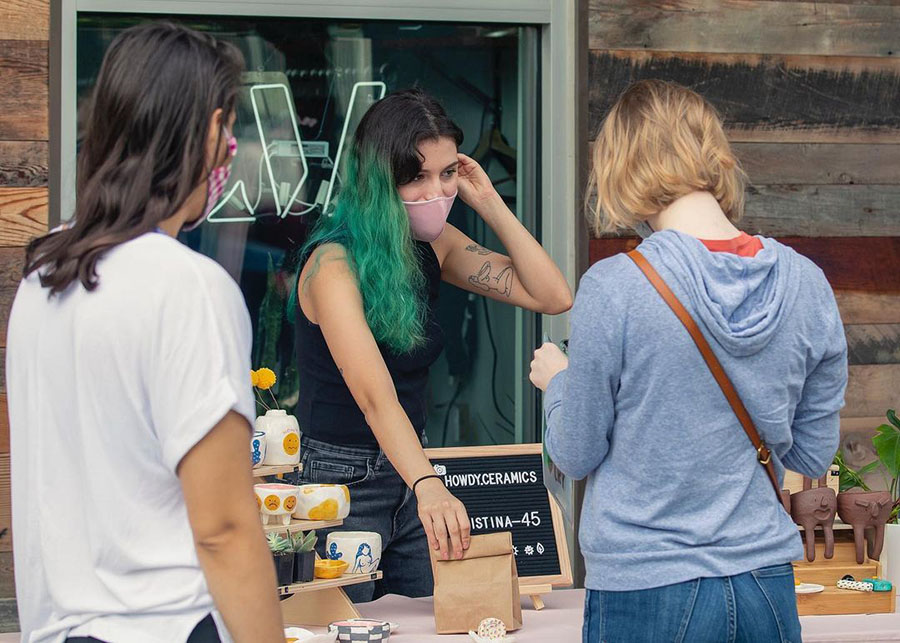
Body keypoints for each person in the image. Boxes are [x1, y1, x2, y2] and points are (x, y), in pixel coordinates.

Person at [529, 80, 847, 643]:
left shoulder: (615, 286)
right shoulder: (808, 283)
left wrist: (559, 383)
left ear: (621, 167)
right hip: (765, 584)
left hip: (646, 587)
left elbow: (575, 455)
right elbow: (810, 452)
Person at [7, 22, 284, 643]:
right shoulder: (187, 286)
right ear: (207, 130)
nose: (232, 146)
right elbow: (224, 529)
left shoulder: (44, 276)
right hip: (169, 624)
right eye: (228, 125)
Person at [291, 88, 572, 601]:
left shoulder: (435, 245)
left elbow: (551, 294)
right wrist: (428, 486)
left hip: (414, 471)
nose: (435, 190)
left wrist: (487, 200)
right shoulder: (333, 264)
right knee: (343, 629)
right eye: (417, 176)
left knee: (439, 624)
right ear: (380, 179)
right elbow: (376, 398)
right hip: (338, 482)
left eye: (446, 173)